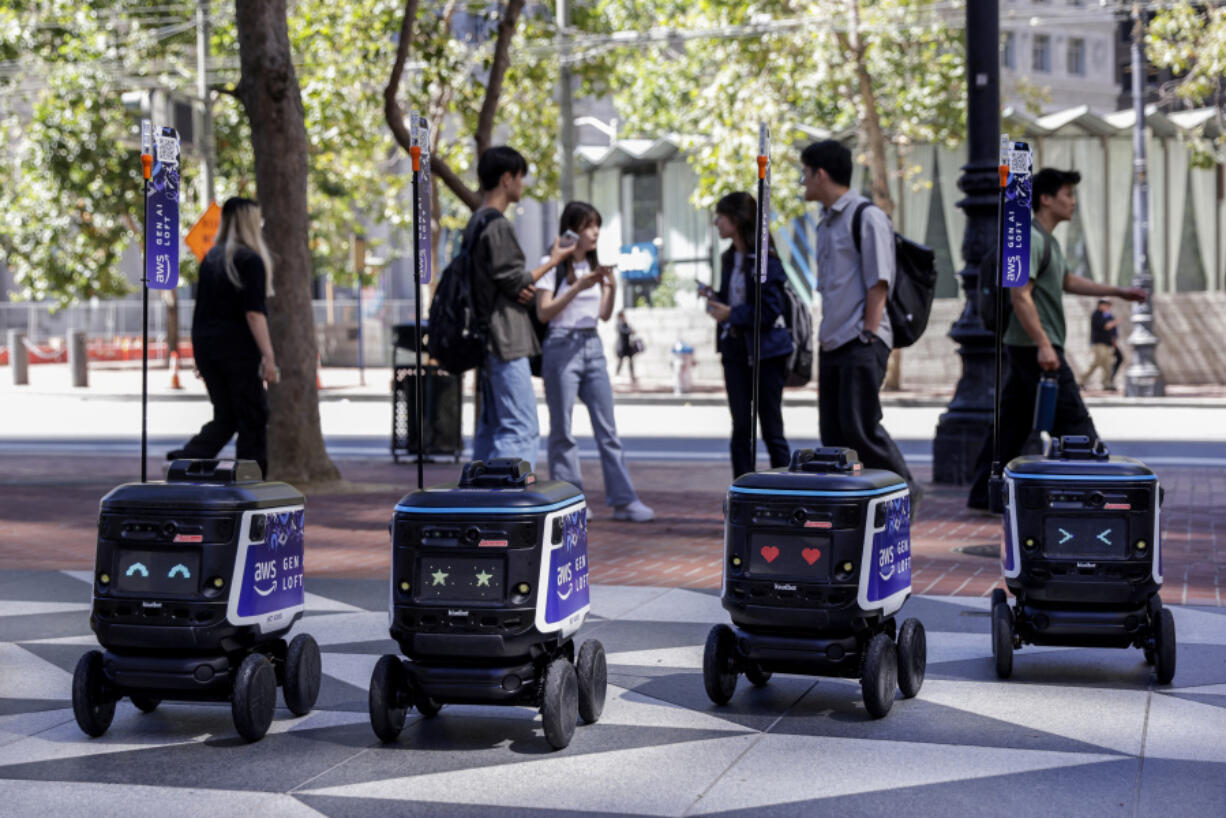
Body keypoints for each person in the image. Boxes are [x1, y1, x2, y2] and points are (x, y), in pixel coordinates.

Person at [967, 168, 1147, 510]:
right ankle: (1097, 492)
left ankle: (981, 494)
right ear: (1046, 199)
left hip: (1028, 347)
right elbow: (1021, 295)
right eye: (1067, 195)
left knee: (1011, 426)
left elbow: (1067, 281)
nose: (1073, 202)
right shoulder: (1030, 239)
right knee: (1074, 421)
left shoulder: (1046, 240)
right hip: (1035, 347)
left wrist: (1119, 291)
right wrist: (1045, 344)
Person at [801, 140, 917, 496]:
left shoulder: (866, 216)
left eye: (804, 174)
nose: (802, 182)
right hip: (834, 339)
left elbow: (879, 281)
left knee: (861, 427)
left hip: (859, 338)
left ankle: (903, 491)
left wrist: (868, 333)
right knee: (834, 434)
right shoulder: (826, 223)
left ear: (821, 174)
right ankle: (853, 500)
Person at [536, 202, 654, 522]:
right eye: (589, 226)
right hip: (561, 345)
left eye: (597, 226)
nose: (595, 232)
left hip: (592, 344)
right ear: (571, 229)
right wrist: (577, 287)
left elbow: (603, 314)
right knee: (562, 430)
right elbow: (544, 312)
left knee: (608, 429)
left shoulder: (595, 265)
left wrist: (610, 289)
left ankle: (624, 500)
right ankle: (570, 502)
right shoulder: (551, 264)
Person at [465, 146, 576, 468]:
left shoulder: (475, 223)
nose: (522, 185)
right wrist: (554, 261)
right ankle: (503, 504)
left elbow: (502, 282)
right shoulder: (497, 225)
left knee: (491, 427)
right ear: (506, 179)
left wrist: (522, 285)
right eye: (520, 177)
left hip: (488, 336)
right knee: (521, 427)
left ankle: (477, 501)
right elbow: (516, 282)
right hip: (506, 339)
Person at [169, 197, 278, 477]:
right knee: (253, 416)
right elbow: (255, 313)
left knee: (227, 416)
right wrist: (268, 355)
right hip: (238, 351)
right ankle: (251, 481)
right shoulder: (250, 260)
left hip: (209, 348)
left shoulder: (211, 259)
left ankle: (185, 459)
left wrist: (200, 354)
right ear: (250, 223)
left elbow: (201, 311)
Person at [702, 191, 792, 478]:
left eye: (721, 216)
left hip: (766, 352)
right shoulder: (730, 258)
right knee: (740, 427)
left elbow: (769, 310)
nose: (717, 223)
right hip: (735, 351)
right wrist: (715, 300)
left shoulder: (765, 260)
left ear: (738, 219)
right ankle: (743, 490)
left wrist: (731, 314)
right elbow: (735, 301)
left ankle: (787, 491)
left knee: (771, 428)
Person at [1080, 298, 1118, 391]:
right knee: (1096, 363)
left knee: (1107, 364)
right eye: (1106, 305)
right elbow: (1105, 326)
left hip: (1107, 344)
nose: (1107, 307)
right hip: (1098, 343)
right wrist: (1113, 323)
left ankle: (1107, 383)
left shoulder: (1107, 315)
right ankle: (1081, 380)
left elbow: (1112, 330)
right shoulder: (1096, 314)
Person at [614, 310, 640, 384]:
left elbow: (631, 330)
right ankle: (617, 374)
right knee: (620, 361)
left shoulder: (625, 323)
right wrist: (630, 330)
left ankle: (632, 375)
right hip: (621, 346)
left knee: (631, 361)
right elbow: (624, 331)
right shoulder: (619, 323)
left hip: (627, 346)